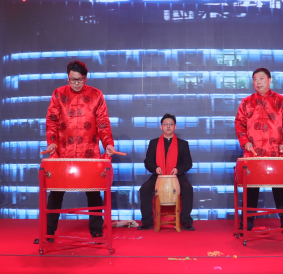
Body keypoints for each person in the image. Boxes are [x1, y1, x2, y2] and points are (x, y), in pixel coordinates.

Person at [43, 60, 121, 239]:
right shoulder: (58, 94)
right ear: (68, 78)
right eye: (73, 80)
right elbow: (52, 121)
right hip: (64, 151)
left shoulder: (96, 95)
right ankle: (48, 232)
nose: (76, 83)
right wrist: (52, 142)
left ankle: (96, 230)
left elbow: (103, 123)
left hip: (89, 151)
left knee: (93, 191)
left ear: (86, 78)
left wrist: (108, 143)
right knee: (56, 192)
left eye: (80, 80)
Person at [234, 67, 283, 233]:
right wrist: (245, 142)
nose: (258, 82)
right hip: (253, 153)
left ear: (269, 80)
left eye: (261, 78)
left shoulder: (281, 100)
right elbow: (239, 123)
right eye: (255, 79)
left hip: (275, 152)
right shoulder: (246, 102)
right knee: (250, 190)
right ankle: (246, 226)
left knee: (280, 189)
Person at [138, 114, 194, 231]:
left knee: (188, 188)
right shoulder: (153, 143)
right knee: (145, 188)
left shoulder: (183, 144)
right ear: (161, 127)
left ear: (175, 127)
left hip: (177, 176)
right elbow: (148, 162)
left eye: (171, 124)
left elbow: (188, 163)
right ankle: (147, 222)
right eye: (165, 124)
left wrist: (178, 169)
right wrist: (155, 168)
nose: (168, 126)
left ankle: (186, 221)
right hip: (158, 176)